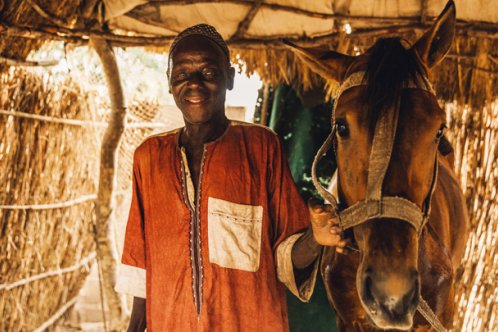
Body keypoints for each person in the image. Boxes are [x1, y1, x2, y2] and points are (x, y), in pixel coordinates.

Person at [116, 24, 346, 332]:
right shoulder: (148, 157)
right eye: (182, 74)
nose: (194, 84)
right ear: (169, 82)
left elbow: (287, 258)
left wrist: (315, 239)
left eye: (209, 73)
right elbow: (139, 267)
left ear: (230, 78)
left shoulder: (262, 147)